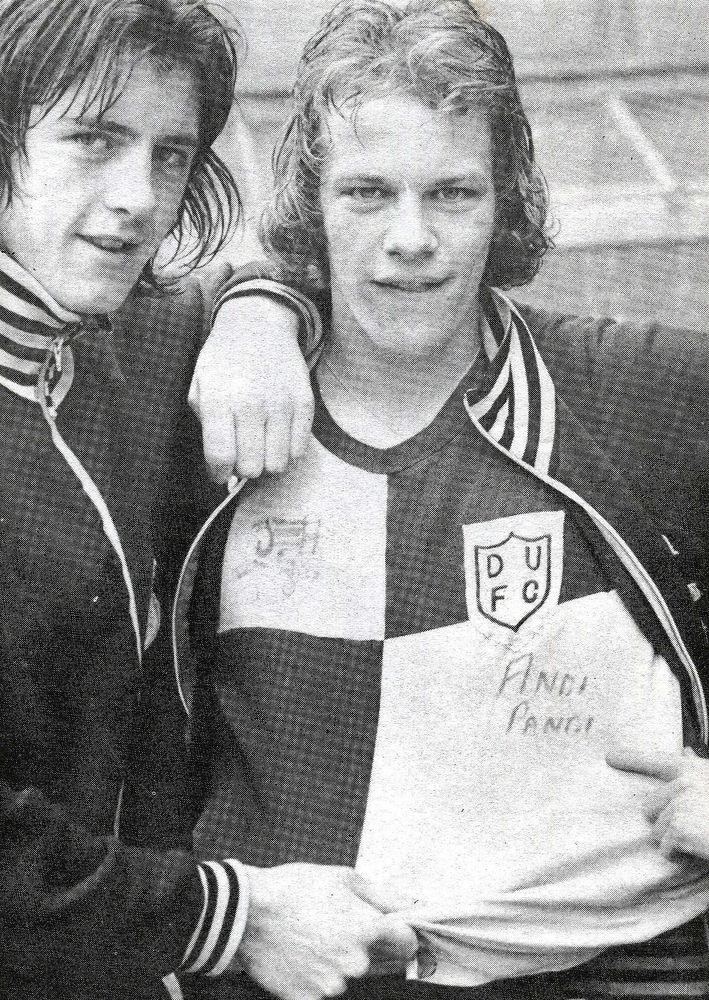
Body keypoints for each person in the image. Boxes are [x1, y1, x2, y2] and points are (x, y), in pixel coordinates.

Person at [184, 2, 709, 999]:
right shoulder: (216, 412)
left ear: (506, 199)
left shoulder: (631, 391)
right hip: (300, 977)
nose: (410, 238)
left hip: (616, 967)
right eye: (367, 192)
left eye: (454, 192)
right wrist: (253, 304)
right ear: (310, 204)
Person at [0, 2, 418, 999]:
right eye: (94, 142)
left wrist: (257, 314)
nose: (140, 197)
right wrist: (234, 917)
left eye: (172, 154)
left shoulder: (116, 345)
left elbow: (282, 259)